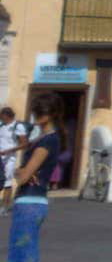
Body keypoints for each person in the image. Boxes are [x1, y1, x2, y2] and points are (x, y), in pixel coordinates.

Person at [8, 93, 64, 261]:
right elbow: (21, 172)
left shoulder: (48, 140)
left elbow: (23, 177)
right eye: (36, 110)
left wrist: (23, 172)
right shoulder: (42, 138)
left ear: (52, 114)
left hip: (30, 202)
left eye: (42, 111)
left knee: (23, 254)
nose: (37, 114)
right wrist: (22, 171)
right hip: (28, 200)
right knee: (22, 251)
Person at [0, 109, 29, 215]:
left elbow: (24, 144)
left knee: (7, 182)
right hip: (0, 157)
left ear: (8, 116)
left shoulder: (18, 126)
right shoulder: (1, 125)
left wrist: (9, 150)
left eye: (2, 116)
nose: (1, 118)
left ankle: (4, 206)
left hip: (9, 158)